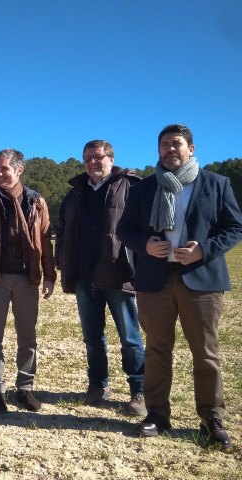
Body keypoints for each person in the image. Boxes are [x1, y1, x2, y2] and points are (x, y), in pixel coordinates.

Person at [117, 124, 242, 449]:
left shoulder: (216, 183)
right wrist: (145, 245)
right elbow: (125, 229)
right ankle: (157, 414)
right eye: (164, 145)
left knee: (206, 352)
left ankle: (211, 418)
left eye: (177, 144)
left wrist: (203, 249)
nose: (170, 149)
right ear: (158, 150)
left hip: (200, 280)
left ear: (191, 148)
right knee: (157, 349)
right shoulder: (143, 189)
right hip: (154, 281)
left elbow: (234, 227)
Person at [55, 140, 146, 415]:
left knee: (130, 338)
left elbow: (145, 228)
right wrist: (62, 260)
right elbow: (62, 229)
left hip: (119, 275)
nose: (92, 163)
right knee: (92, 337)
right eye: (87, 159)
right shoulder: (75, 193)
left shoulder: (130, 187)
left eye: (97, 157)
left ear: (111, 158)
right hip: (84, 275)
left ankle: (139, 390)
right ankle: (98, 385)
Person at [0, 148, 56, 412]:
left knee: (27, 337)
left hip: (27, 280)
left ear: (19, 170)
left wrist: (49, 275)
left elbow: (44, 241)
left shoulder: (37, 202)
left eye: (3, 169)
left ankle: (25, 388)